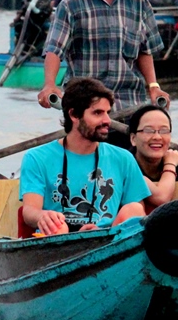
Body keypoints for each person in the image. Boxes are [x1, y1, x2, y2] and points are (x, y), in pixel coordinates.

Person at [38, 0, 169, 111]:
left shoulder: (138, 1)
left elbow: (144, 50)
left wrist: (154, 87)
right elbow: (54, 49)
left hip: (129, 103)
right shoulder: (70, 4)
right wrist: (49, 85)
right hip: (85, 105)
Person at [21, 77, 150, 235]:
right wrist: (43, 216)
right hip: (58, 238)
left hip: (109, 238)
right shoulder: (37, 157)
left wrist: (103, 231)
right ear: (74, 115)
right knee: (58, 226)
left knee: (135, 209)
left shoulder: (123, 158)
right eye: (98, 113)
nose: (107, 120)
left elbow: (137, 213)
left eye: (107, 113)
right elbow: (29, 211)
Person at [128, 104, 178, 212]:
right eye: (148, 130)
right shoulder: (125, 164)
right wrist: (170, 165)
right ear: (133, 139)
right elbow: (161, 198)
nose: (157, 137)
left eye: (164, 130)